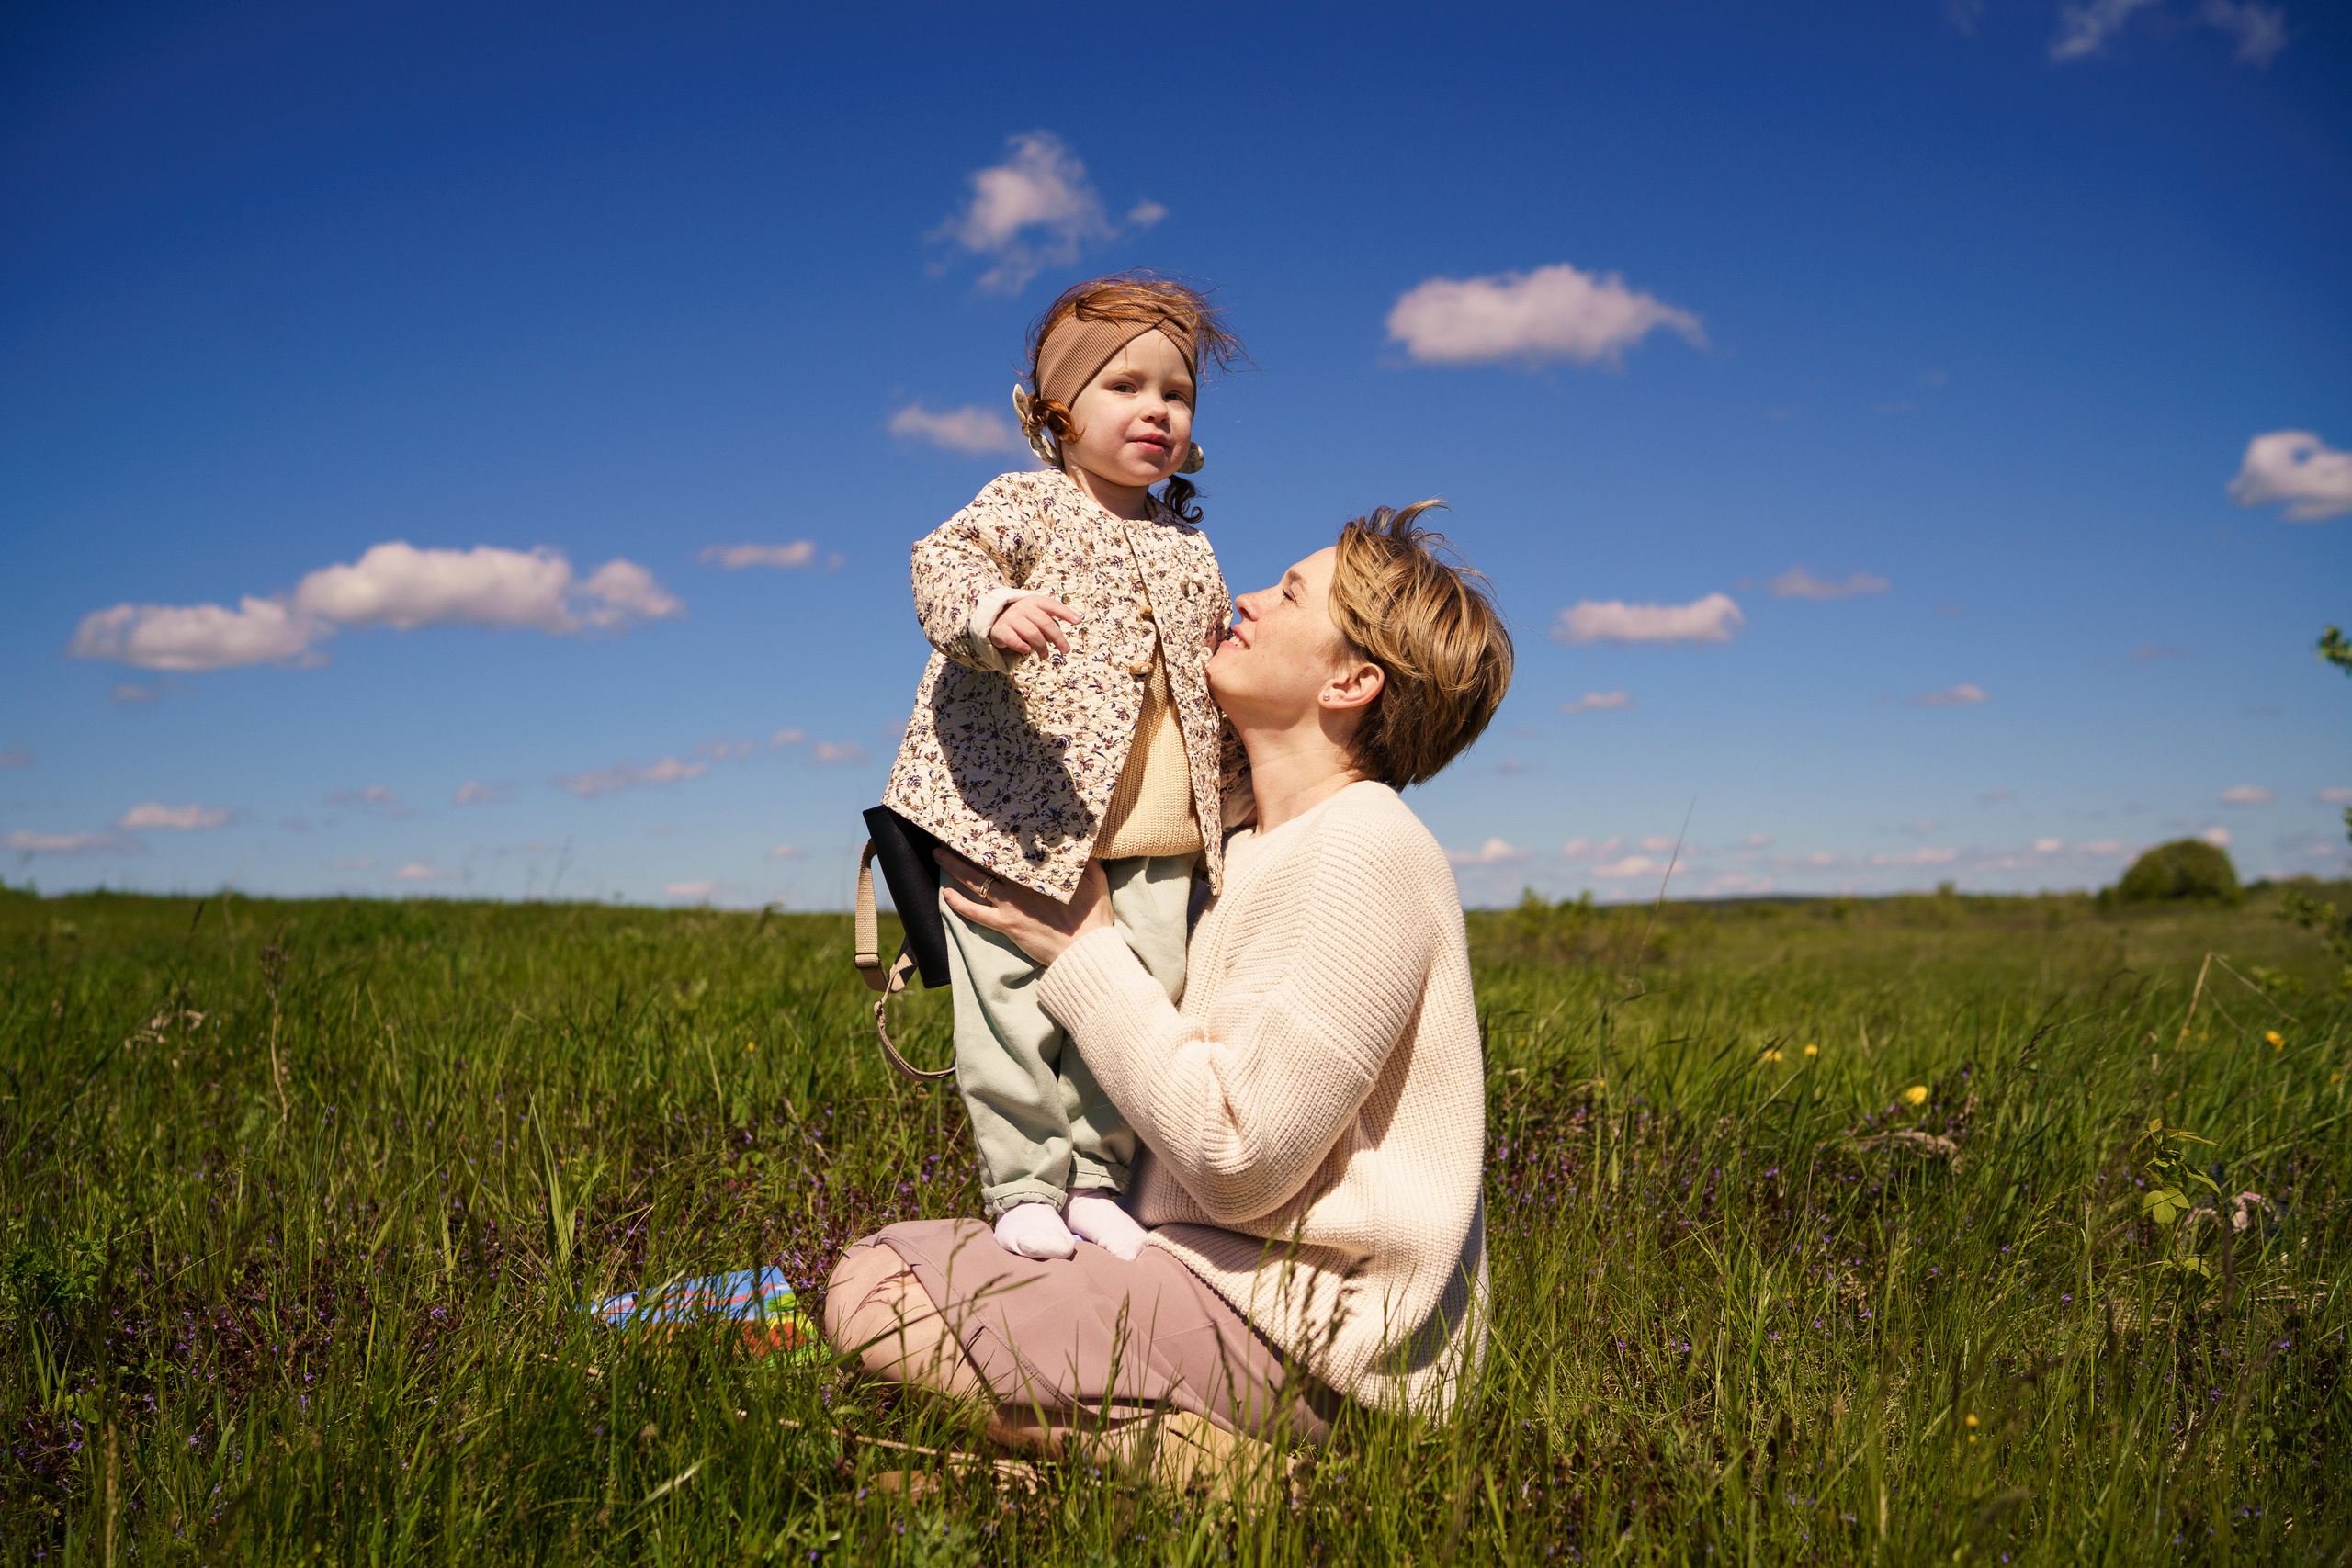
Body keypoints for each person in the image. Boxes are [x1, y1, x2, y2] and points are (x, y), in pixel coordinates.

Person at [829, 504, 1514, 1477]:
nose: (1246, 600)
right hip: (1209, 1286)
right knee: (901, 1277)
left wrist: (1084, 951)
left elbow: (1241, 1160)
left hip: (1309, 1336)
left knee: (876, 1286)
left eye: (1288, 595)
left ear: (1349, 681)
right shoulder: (1235, 845)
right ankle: (1105, 1457)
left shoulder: (1366, 850)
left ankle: (1231, 1475)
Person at [880, 273, 1248, 1265]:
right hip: (1015, 813)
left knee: (1137, 1000)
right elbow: (943, 562)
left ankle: (1096, 1176)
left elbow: (1207, 667)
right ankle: (1023, 1182)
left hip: (1155, 830)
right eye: (1124, 386)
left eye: (1175, 396)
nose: (1155, 411)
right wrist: (990, 614)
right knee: (1005, 1002)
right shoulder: (1025, 504)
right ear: (1055, 411)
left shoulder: (1187, 546)